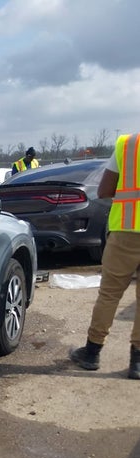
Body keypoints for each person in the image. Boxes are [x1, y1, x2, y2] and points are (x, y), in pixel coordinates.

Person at [69, 132, 140, 379]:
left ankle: (92, 352)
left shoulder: (128, 144)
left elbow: (104, 190)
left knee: (109, 294)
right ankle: (137, 362)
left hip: (126, 231)